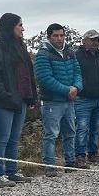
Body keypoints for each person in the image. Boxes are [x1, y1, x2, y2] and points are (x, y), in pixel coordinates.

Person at [0, 13, 37, 187]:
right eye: (19, 25)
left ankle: (11, 172)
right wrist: (6, 96)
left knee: (14, 138)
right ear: (10, 27)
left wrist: (30, 97)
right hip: (2, 102)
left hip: (19, 100)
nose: (23, 28)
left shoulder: (19, 47)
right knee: (2, 137)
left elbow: (28, 75)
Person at [35, 23, 83, 177]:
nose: (59, 38)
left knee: (70, 132)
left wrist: (76, 87)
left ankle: (70, 162)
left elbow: (77, 72)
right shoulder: (43, 54)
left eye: (61, 35)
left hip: (69, 101)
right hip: (52, 101)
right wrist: (67, 90)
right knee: (51, 134)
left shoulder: (69, 52)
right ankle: (49, 166)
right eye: (55, 35)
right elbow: (45, 79)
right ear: (49, 36)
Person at [74, 29, 99, 168]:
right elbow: (73, 75)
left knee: (96, 128)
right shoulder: (77, 56)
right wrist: (81, 88)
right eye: (92, 40)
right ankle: (79, 156)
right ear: (85, 41)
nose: (95, 42)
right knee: (82, 128)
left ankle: (93, 153)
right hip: (83, 99)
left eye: (97, 40)